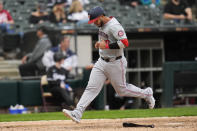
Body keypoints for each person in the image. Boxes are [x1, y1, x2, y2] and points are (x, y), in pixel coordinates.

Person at [62, 6, 155, 123]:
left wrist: (105, 46)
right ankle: (77, 112)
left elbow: (125, 43)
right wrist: (100, 45)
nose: (94, 23)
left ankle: (146, 93)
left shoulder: (114, 26)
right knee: (91, 88)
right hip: (101, 61)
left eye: (95, 20)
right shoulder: (101, 24)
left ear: (101, 16)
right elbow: (106, 40)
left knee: (122, 91)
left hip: (116, 62)